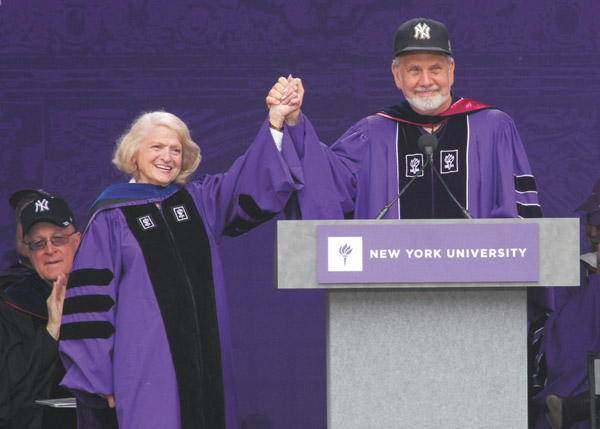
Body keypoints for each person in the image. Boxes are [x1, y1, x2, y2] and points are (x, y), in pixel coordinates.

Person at [59, 84, 303, 429]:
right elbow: (91, 305)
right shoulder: (110, 216)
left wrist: (276, 123)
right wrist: (98, 380)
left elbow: (246, 182)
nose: (167, 156)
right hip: (144, 371)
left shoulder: (197, 203)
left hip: (207, 367)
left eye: (176, 150)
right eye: (157, 147)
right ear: (134, 154)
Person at [0, 193, 80, 428]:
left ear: (77, 240)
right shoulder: (11, 305)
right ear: (29, 251)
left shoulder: (108, 293)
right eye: (38, 243)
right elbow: (7, 392)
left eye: (58, 238)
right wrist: (51, 331)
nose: (49, 249)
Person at [530, 179, 600, 429]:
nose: (592, 232)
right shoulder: (571, 270)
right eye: (590, 221)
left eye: (599, 223)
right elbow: (557, 347)